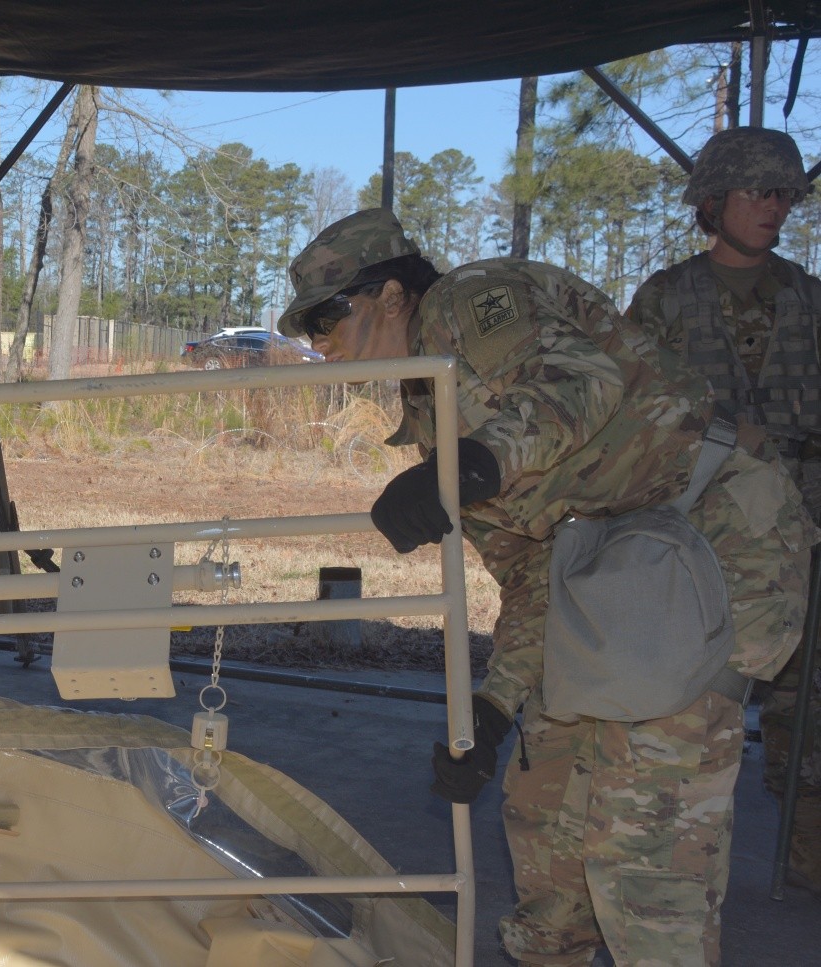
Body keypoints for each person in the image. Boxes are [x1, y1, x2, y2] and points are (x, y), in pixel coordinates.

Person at [276, 209, 813, 966]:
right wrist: (496, 709)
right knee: (548, 815)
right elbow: (533, 574)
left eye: (328, 316)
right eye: (307, 328)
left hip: (714, 536)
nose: (319, 341)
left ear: (390, 296)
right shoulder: (435, 410)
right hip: (613, 573)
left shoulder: (470, 301)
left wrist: (473, 465)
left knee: (641, 833)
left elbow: (581, 381)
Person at [622, 126, 821, 889]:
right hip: (701, 539)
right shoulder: (667, 299)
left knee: (805, 703)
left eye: (784, 194)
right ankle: (670, 859)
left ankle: (804, 859)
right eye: (757, 192)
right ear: (713, 202)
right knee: (689, 698)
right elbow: (632, 406)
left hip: (800, 533)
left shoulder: (807, 298)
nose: (774, 207)